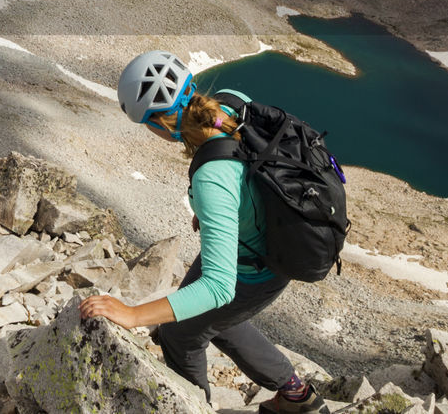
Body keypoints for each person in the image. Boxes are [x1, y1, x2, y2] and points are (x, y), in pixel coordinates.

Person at [79, 51, 326, 414]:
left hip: (256, 268)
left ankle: (192, 407)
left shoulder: (212, 177)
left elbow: (219, 288)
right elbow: (251, 173)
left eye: (147, 124)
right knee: (214, 322)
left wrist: (132, 314)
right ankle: (297, 397)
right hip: (270, 240)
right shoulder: (230, 102)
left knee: (180, 334)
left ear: (161, 122)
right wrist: (221, 216)